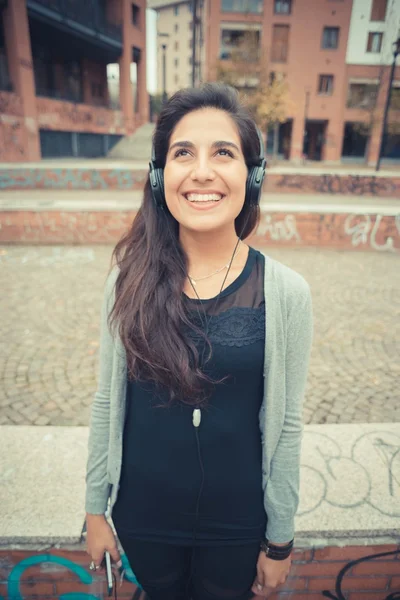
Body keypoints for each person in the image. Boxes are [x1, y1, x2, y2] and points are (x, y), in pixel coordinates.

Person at [85, 82, 313, 600]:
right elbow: (106, 401)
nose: (202, 171)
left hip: (236, 526)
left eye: (224, 153)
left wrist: (280, 541)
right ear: (159, 174)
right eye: (183, 152)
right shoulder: (127, 282)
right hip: (143, 518)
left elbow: (288, 424)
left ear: (251, 176)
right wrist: (94, 508)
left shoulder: (287, 293)